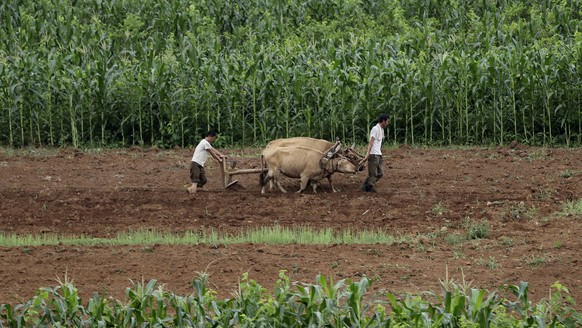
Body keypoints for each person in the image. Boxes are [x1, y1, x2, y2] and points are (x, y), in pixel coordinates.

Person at [360, 114, 389, 192]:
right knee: (373, 174)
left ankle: (366, 186)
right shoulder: (375, 129)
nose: (387, 123)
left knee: (380, 173)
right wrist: (368, 154)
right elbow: (371, 142)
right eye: (387, 121)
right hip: (373, 154)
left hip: (378, 154)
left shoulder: (381, 130)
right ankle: (369, 188)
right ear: (383, 121)